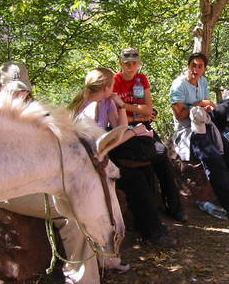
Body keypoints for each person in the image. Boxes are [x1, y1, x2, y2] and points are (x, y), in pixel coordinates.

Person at [0, 62, 130, 284]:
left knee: (91, 194)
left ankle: (107, 258)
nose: (20, 93)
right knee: (72, 211)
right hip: (8, 189)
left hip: (37, 182)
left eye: (23, 88)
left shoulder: (30, 111)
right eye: (14, 89)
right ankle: (82, 281)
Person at [69, 67, 177, 248]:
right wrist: (135, 131)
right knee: (135, 179)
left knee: (146, 169)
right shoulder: (87, 110)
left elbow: (120, 128)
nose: (114, 90)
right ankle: (153, 233)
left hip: (101, 155)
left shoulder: (106, 102)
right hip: (88, 163)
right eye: (112, 86)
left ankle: (148, 225)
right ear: (105, 88)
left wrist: (120, 105)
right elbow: (102, 145)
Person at [169, 53, 229, 223]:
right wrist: (198, 104)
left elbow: (205, 107)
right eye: (193, 65)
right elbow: (179, 115)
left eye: (200, 66)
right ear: (188, 66)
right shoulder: (179, 85)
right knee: (213, 158)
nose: (196, 69)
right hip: (187, 131)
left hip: (205, 125)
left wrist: (206, 107)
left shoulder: (203, 82)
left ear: (204, 68)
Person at [113, 48, 187, 223]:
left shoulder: (141, 79)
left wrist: (124, 106)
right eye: (127, 63)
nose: (131, 67)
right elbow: (116, 117)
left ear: (138, 64)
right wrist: (138, 114)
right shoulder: (114, 81)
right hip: (122, 127)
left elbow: (149, 109)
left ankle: (175, 207)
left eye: (134, 63)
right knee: (149, 158)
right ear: (121, 64)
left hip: (142, 125)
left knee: (163, 158)